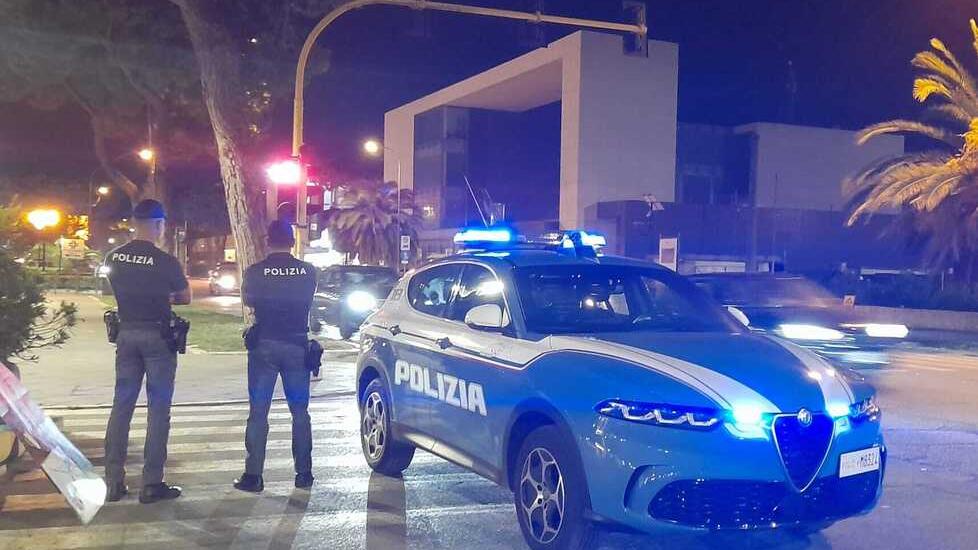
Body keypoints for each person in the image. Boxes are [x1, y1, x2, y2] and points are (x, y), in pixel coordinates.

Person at [103, 199, 191, 503]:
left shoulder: (114, 257)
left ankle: (113, 482)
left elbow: (111, 290)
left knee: (121, 407)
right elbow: (185, 296)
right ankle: (152, 484)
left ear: (133, 222)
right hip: (157, 337)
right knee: (158, 410)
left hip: (126, 334)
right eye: (162, 224)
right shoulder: (165, 261)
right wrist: (162, 295)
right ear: (157, 224)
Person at [234, 220, 318, 493]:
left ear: (268, 241)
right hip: (296, 345)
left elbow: (248, 301)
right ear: (292, 242)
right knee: (300, 413)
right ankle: (304, 474)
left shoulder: (255, 273)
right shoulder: (308, 272)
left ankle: (254, 476)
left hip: (265, 346)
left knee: (258, 413)